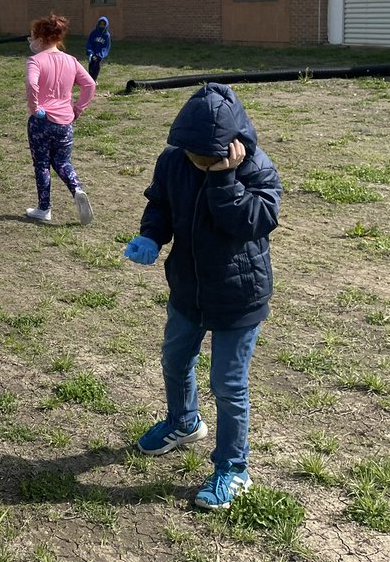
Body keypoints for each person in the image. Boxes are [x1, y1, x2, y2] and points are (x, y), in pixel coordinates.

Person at [123, 82, 281, 510]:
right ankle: (184, 421)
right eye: (193, 153)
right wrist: (151, 237)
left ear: (232, 145)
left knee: (228, 385)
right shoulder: (174, 161)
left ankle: (233, 467)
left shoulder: (256, 169)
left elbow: (255, 221)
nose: (198, 162)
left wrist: (224, 178)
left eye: (207, 156)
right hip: (188, 290)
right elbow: (161, 204)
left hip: (238, 297)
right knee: (174, 359)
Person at [24, 12, 96, 224]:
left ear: (40, 38)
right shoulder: (71, 61)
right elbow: (90, 84)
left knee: (42, 164)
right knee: (63, 162)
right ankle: (77, 190)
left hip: (42, 121)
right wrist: (78, 109)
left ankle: (44, 208)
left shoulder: (35, 61)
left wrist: (35, 107)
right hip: (65, 120)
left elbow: (32, 84)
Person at [85, 16, 111, 82]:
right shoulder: (94, 33)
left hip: (100, 54)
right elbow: (90, 42)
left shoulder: (106, 35)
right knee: (91, 65)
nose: (102, 26)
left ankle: (94, 79)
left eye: (103, 24)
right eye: (100, 24)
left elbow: (106, 46)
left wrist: (101, 54)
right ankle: (90, 78)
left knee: (97, 65)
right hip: (92, 52)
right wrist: (90, 52)